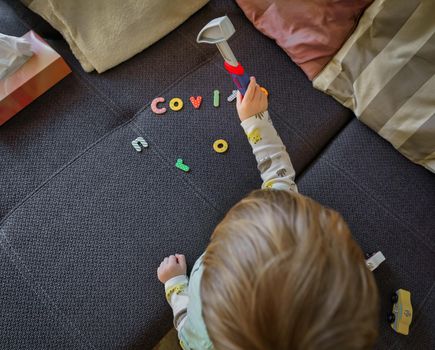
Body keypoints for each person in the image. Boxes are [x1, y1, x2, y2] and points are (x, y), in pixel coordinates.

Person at [157, 77, 379, 350]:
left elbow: (185, 329)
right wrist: (255, 120)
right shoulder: (288, 217)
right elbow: (277, 174)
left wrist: (176, 285)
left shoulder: (203, 336)